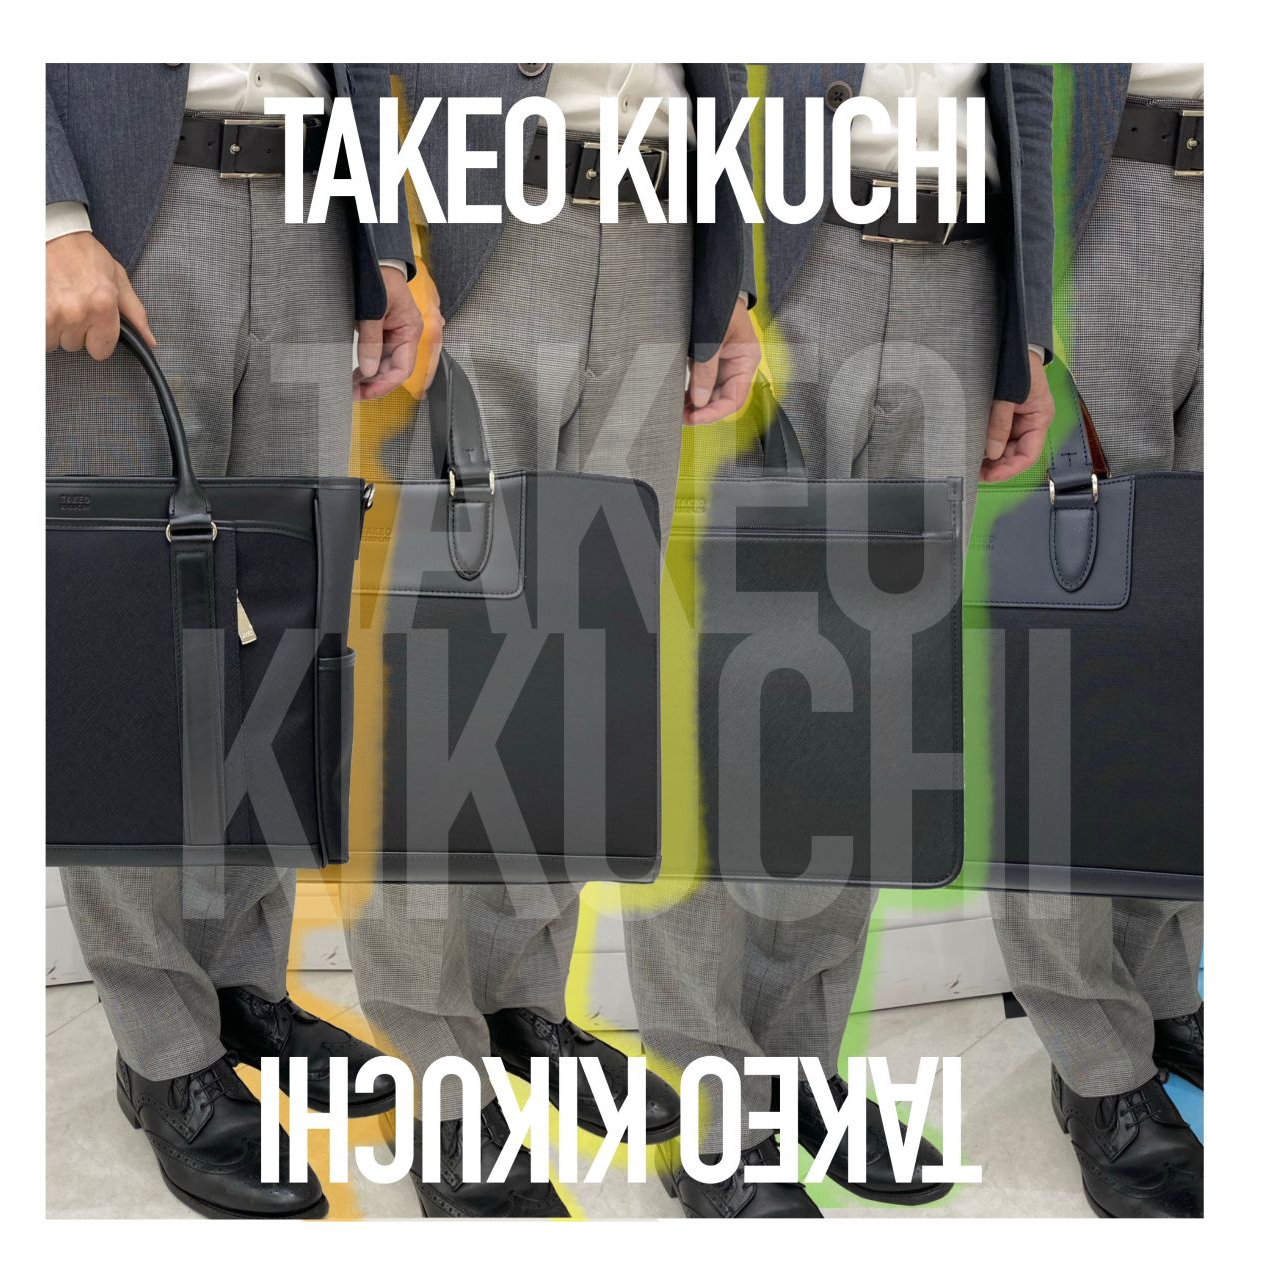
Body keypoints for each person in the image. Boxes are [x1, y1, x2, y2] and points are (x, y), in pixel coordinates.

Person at [627, 63, 1056, 1217]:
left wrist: (1024, 327)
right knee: (721, 692)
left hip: (960, 272)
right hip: (780, 261)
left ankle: (796, 1067)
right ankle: (708, 1106)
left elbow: (1028, 87)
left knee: (869, 705)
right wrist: (710, 276)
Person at [342, 62, 760, 1218]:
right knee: (440, 666)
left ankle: (519, 994)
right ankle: (434, 1065)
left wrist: (721, 278)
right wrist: (381, 248)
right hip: (479, 226)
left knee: (582, 658)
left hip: (658, 231)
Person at [45, 62, 428, 1219]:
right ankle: (162, 1045)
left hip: (316, 211)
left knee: (280, 634)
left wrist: (380, 249)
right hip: (136, 209)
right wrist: (43, 210)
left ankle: (240, 986)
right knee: (127, 636)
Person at [989, 62, 1204, 1220]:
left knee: (1195, 652)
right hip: (1100, 193)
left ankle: (1157, 983)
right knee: (1066, 655)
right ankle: (1093, 1059)